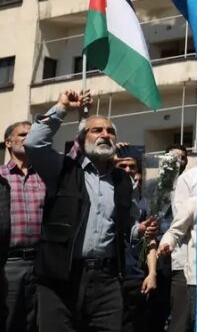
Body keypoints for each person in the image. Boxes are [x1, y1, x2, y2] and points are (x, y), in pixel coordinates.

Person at [25, 89, 157, 331]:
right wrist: (62, 107)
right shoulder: (62, 169)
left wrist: (140, 230)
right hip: (60, 277)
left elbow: (125, 227)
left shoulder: (123, 181)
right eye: (97, 130)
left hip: (106, 281)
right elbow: (34, 143)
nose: (105, 135)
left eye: (110, 131)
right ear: (82, 138)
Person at [1, 120, 45, 332]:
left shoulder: (45, 175)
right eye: (23, 135)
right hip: (8, 263)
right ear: (8, 142)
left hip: (41, 264)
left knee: (36, 323)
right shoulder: (1, 176)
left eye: (32, 134)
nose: (28, 138)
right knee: (8, 320)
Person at [117, 148, 162, 332]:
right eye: (122, 166)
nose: (127, 170)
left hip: (135, 276)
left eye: (132, 166)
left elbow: (150, 241)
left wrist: (152, 273)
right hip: (111, 276)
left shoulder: (144, 204)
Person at [168, 145, 196, 332]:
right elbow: (181, 222)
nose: (178, 161)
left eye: (182, 157)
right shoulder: (188, 180)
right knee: (181, 321)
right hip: (184, 263)